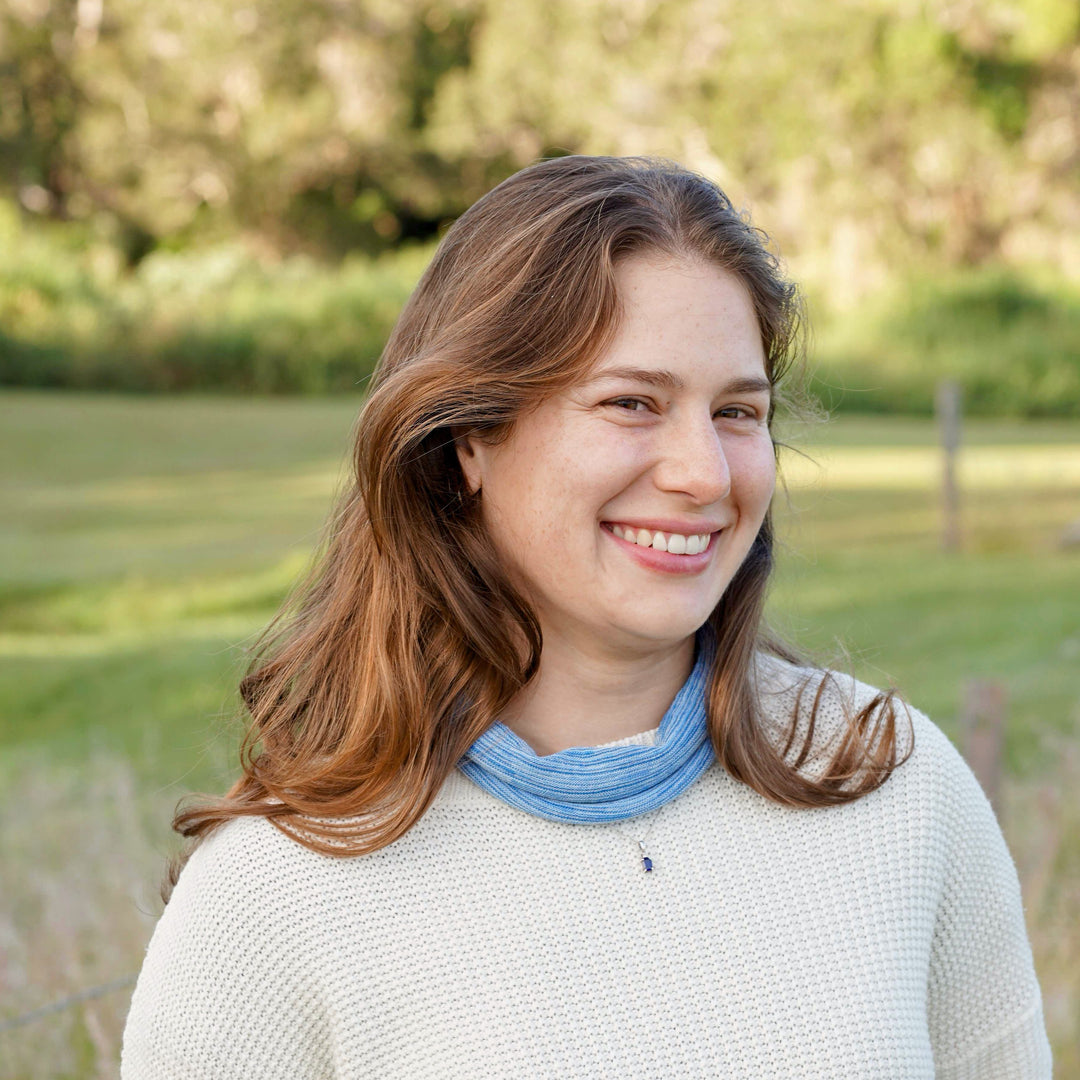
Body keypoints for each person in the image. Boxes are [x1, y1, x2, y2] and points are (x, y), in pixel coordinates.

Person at [121, 156, 1051, 1079]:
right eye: (631, 403)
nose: (704, 473)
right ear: (467, 440)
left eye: (737, 411)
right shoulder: (276, 892)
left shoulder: (890, 783)